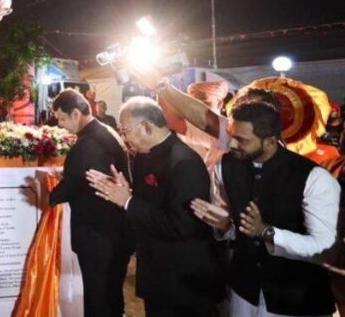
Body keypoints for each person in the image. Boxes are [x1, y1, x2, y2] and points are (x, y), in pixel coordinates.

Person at [191, 95, 341, 317]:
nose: (231, 144)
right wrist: (224, 226)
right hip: (244, 292)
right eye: (231, 136)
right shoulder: (226, 166)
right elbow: (234, 229)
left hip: (298, 299)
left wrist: (267, 232)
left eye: (241, 140)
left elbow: (324, 249)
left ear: (271, 141)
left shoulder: (314, 178)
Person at [87, 96, 224, 316]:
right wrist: (125, 193)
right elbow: (146, 205)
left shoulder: (184, 162)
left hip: (185, 282)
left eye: (125, 130)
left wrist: (128, 202)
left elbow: (182, 226)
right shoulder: (143, 156)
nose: (123, 137)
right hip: (157, 275)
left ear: (147, 127)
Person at [46, 89, 133, 317]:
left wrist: (48, 196)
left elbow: (74, 184)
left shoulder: (89, 143)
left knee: (98, 299)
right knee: (111, 296)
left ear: (76, 113)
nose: (62, 125)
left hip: (99, 235)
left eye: (63, 118)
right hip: (114, 232)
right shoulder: (104, 132)